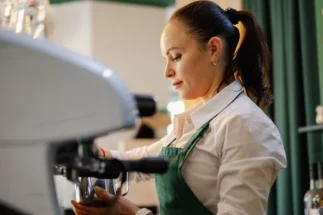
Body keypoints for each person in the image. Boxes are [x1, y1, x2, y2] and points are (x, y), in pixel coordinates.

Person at [71, 1, 287, 215]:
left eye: (175, 57)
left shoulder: (245, 124)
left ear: (213, 49)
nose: (167, 72)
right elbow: (142, 159)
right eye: (166, 59)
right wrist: (92, 154)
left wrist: (133, 213)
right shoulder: (196, 122)